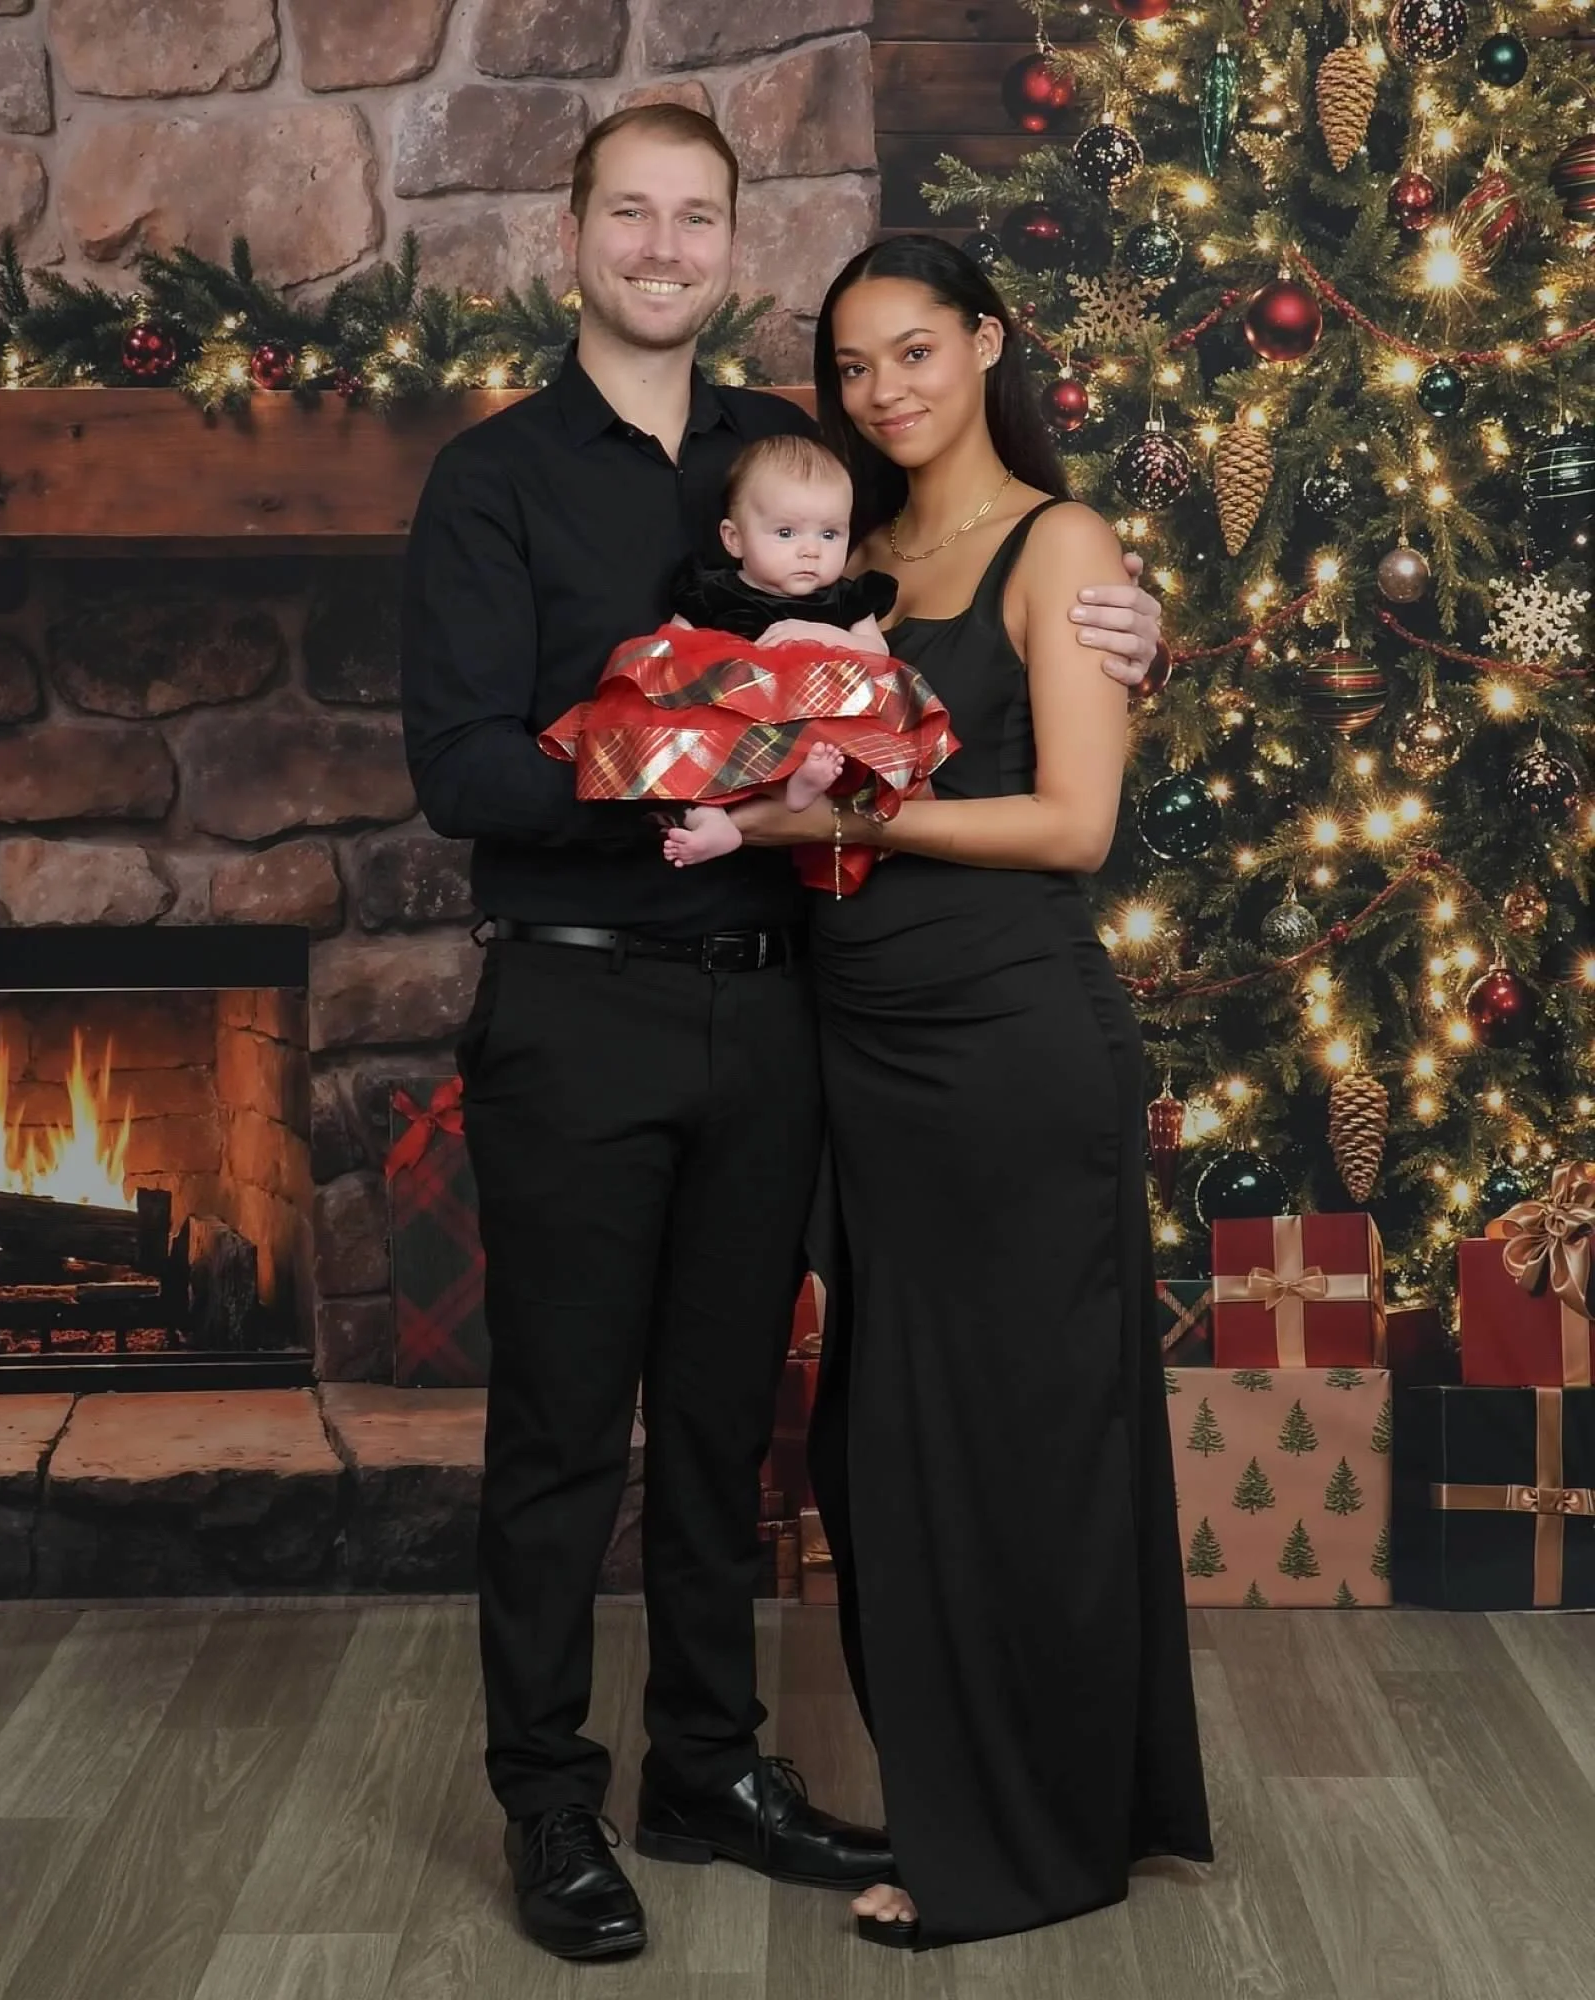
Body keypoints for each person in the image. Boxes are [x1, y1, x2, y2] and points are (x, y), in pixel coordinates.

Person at [400, 102, 1170, 1966]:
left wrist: (1136, 618)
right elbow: (463, 767)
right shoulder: (493, 480)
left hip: (778, 1023)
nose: (664, 248)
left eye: (697, 220)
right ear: (572, 234)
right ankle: (551, 1800)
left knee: (730, 1430)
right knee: (565, 1433)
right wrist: (693, 767)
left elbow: (963, 618)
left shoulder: (795, 460)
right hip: (578, 1005)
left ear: (732, 246)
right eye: (631, 217)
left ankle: (708, 1768)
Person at [728, 233, 1214, 1950]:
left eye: (917, 353)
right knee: (890, 1454)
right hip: (861, 1049)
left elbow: (1072, 826)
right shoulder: (840, 544)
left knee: (1019, 1446)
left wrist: (832, 824)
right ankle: (1010, 1794)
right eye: (855, 367)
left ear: (989, 344)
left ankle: (1027, 1846)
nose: (885, 392)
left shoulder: (1058, 542)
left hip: (1006, 1048)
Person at [539, 431, 953, 892]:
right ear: (734, 538)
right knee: (675, 748)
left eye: (830, 533)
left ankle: (797, 790)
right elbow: (667, 649)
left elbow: (878, 656)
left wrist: (823, 635)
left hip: (807, 721)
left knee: (839, 740)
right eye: (785, 533)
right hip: (729, 719)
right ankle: (711, 817)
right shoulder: (714, 593)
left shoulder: (845, 601)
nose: (810, 550)